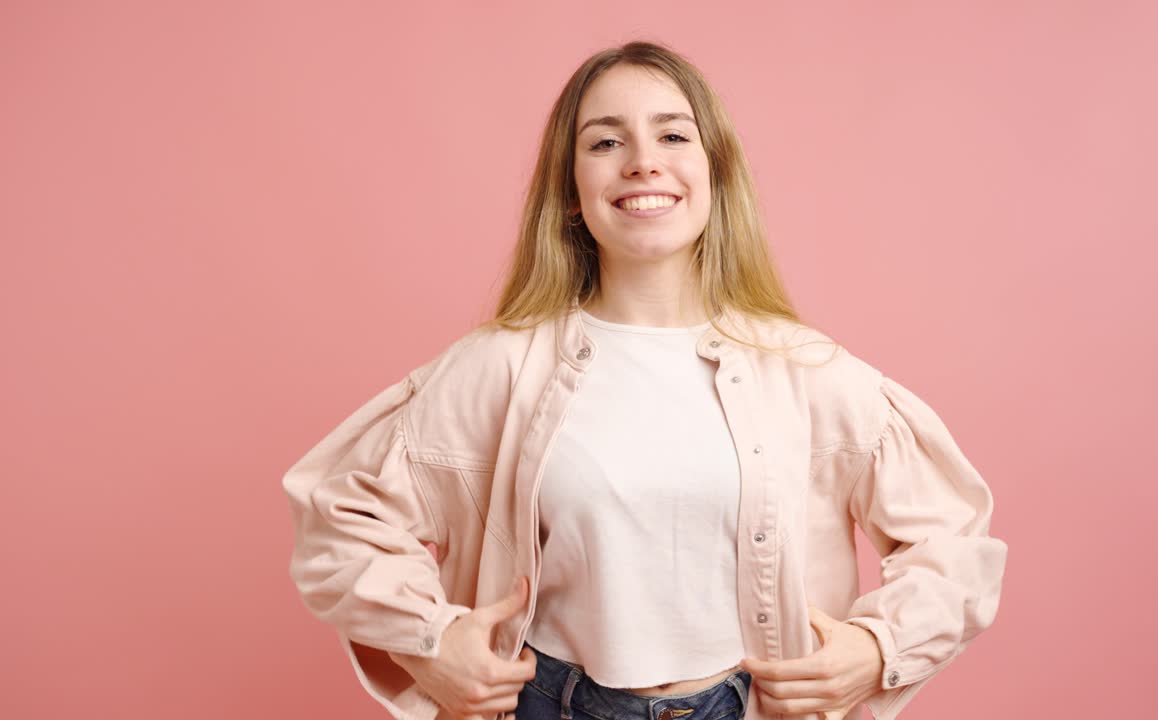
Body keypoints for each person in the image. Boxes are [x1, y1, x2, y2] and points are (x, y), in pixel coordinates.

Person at [282, 40, 1008, 720]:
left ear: (715, 173)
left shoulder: (809, 373)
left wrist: (879, 648)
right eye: (605, 142)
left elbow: (955, 544)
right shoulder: (496, 367)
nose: (642, 162)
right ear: (570, 192)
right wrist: (429, 642)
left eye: (672, 135)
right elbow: (341, 519)